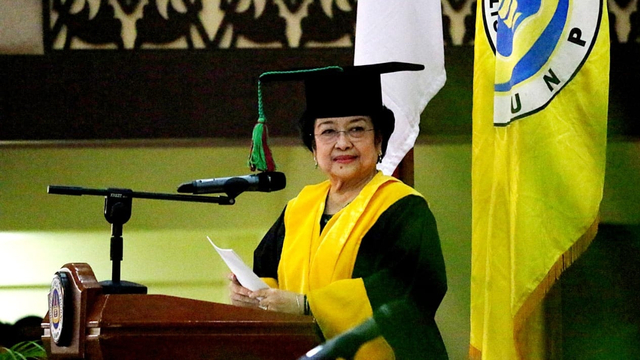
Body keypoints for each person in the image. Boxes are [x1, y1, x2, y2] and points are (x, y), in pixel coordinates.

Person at [228, 62, 448, 359]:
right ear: (313, 147)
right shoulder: (298, 209)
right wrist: (254, 298)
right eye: (328, 131)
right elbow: (265, 273)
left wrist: (307, 306)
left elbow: (410, 293)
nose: (343, 143)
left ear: (378, 140)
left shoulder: (402, 207)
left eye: (357, 129)